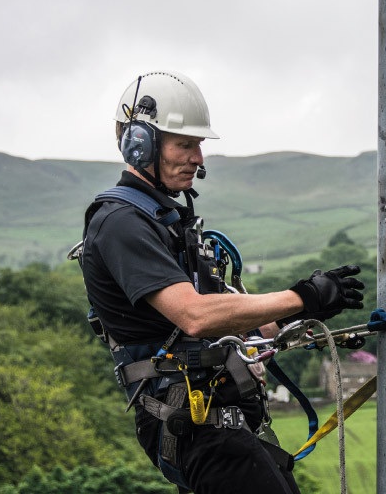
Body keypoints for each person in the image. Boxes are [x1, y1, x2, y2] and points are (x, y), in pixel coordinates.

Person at [76, 70, 365, 493]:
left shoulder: (168, 225)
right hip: (192, 423)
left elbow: (237, 327)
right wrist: (299, 297)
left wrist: (305, 312)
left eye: (199, 146)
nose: (199, 158)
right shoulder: (121, 223)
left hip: (216, 420)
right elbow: (194, 317)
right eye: (186, 144)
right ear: (141, 144)